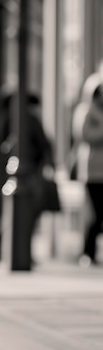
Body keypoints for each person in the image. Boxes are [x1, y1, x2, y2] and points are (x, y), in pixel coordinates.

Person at [0, 90, 57, 261]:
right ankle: (10, 250)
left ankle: (1, 249)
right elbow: (45, 145)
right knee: (23, 214)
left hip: (16, 172)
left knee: (13, 214)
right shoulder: (25, 119)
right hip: (27, 173)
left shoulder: (9, 118)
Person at [79, 78, 103, 266]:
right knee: (97, 214)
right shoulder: (87, 112)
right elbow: (85, 135)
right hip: (93, 172)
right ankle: (87, 253)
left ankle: (90, 253)